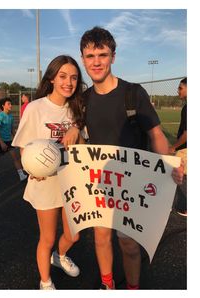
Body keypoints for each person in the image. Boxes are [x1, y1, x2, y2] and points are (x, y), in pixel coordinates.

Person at [67, 26, 183, 289]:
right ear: (83, 58)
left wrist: (169, 164)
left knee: (129, 244)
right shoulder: (83, 100)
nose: (96, 62)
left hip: (131, 182)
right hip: (99, 181)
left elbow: (155, 134)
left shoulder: (134, 93)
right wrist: (75, 127)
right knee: (100, 237)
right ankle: (107, 284)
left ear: (113, 57)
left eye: (102, 55)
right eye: (90, 56)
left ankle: (132, 288)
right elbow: (78, 125)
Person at [12, 55, 85, 290]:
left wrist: (77, 130)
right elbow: (24, 145)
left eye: (73, 77)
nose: (68, 82)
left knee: (74, 235)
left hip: (71, 181)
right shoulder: (35, 108)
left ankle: (59, 256)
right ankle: (45, 282)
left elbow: (85, 147)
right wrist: (31, 167)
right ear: (52, 78)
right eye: (63, 76)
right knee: (48, 237)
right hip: (45, 183)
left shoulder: (78, 109)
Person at [0, 97, 28, 183]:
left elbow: (12, 128)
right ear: (3, 106)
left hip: (8, 140)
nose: (11, 105)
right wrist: (1, 143)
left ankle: (21, 175)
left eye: (10, 103)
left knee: (15, 157)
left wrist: (17, 138)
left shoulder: (10, 116)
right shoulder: (0, 116)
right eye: (8, 104)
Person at [169, 77, 187, 216]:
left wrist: (173, 147)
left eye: (181, 88)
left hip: (185, 149)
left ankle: (183, 206)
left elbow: (187, 133)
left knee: (174, 174)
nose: (178, 91)